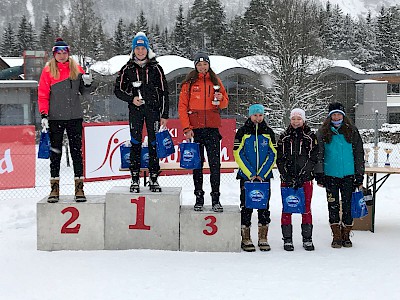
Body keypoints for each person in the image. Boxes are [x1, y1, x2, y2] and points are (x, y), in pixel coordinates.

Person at [38, 38, 93, 203]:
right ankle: (54, 188)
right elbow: (42, 94)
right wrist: (44, 115)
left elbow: (85, 91)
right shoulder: (48, 71)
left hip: (75, 117)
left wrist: (88, 82)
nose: (62, 56)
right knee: (55, 154)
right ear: (54, 54)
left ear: (68, 53)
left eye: (64, 52)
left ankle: (79, 187)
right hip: (55, 118)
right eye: (58, 53)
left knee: (77, 152)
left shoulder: (76, 68)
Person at [114, 32, 169, 193]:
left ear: (147, 49)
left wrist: (164, 114)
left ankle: (153, 178)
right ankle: (135, 179)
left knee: (154, 144)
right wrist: (131, 99)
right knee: (136, 142)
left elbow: (165, 91)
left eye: (143, 48)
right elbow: (117, 90)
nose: (140, 51)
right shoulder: (127, 68)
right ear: (133, 50)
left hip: (153, 111)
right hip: (136, 111)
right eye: (137, 48)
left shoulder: (156, 68)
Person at [178, 52, 229, 212]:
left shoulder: (216, 81)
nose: (202, 67)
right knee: (197, 166)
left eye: (205, 64)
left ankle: (216, 198)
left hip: (212, 129)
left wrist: (220, 98)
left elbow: (225, 104)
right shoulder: (189, 83)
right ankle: (199, 197)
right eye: (199, 65)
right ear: (195, 66)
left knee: (215, 165)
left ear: (209, 65)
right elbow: (182, 107)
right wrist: (187, 128)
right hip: (196, 130)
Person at [315, 102, 364, 248]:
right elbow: (319, 154)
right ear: (329, 116)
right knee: (333, 205)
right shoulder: (323, 132)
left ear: (343, 115)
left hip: (349, 175)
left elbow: (359, 154)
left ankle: (346, 234)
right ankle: (336, 235)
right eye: (333, 114)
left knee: (347, 205)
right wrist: (319, 174)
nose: (336, 117)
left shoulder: (352, 130)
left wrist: (359, 175)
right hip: (330, 175)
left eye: (339, 114)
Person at [233, 104, 276, 252]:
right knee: (247, 206)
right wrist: (250, 173)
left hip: (264, 177)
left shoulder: (269, 132)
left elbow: (273, 154)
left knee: (263, 206)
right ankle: (246, 237)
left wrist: (262, 173)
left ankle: (263, 237)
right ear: (250, 116)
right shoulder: (242, 132)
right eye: (255, 115)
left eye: (260, 115)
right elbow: (238, 153)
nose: (258, 118)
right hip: (247, 177)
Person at [276, 108, 318, 251]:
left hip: (305, 179)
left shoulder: (310, 136)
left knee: (305, 208)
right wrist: (286, 175)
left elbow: (313, 158)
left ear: (303, 120)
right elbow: (279, 158)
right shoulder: (283, 136)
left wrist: (303, 175)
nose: (296, 121)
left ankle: (307, 239)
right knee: (287, 208)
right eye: (293, 119)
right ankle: (287, 239)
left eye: (298, 119)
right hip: (287, 179)